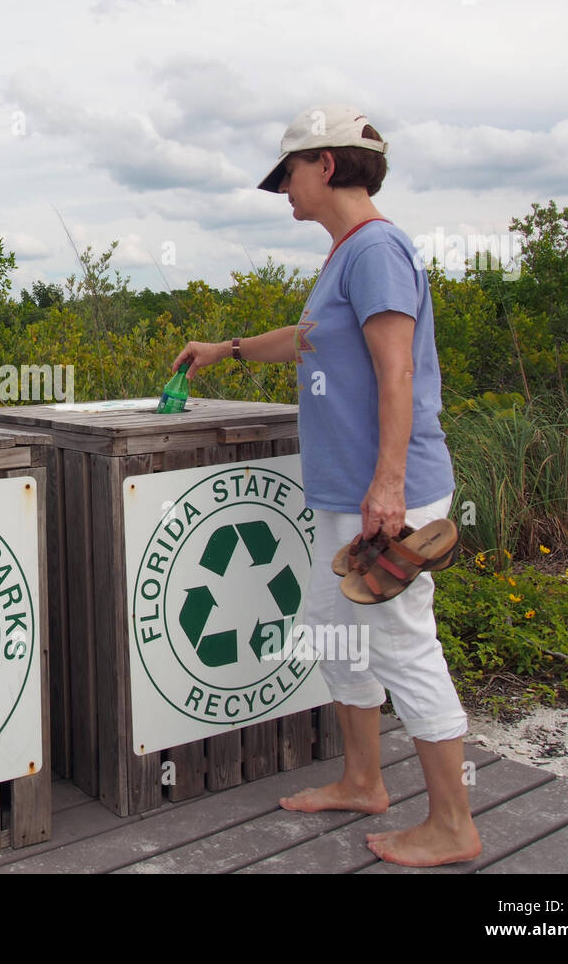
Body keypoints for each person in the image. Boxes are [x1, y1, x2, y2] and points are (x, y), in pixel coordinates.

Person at [171, 104, 481, 867]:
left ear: (328, 166)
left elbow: (397, 371)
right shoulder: (347, 254)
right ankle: (364, 780)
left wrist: (387, 486)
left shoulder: (375, 250)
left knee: (405, 645)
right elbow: (308, 339)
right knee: (332, 624)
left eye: (289, 174)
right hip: (348, 496)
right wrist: (227, 349)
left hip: (386, 497)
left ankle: (453, 823)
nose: (285, 190)